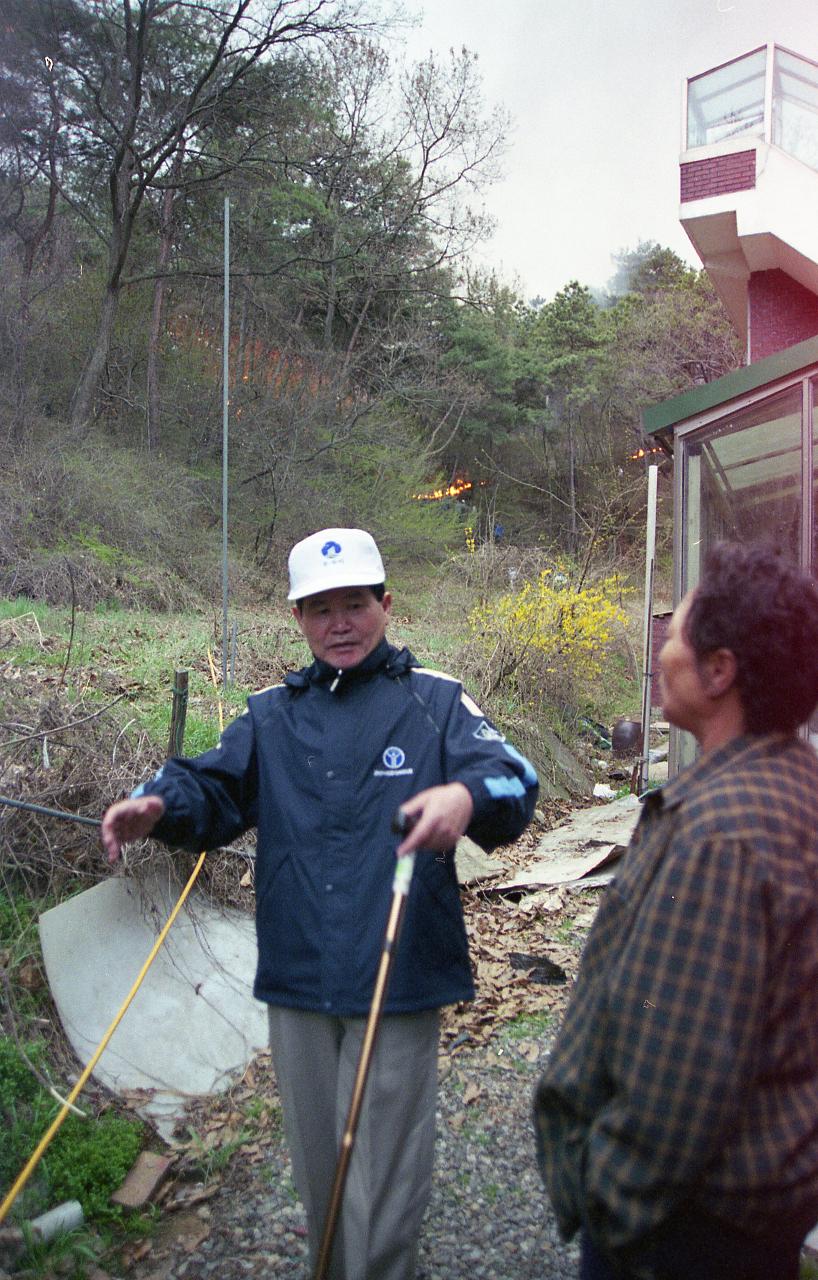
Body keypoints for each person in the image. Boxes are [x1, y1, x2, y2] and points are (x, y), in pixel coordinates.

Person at [102, 527, 538, 1280]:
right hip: (300, 973)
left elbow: (514, 779)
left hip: (400, 976)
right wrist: (155, 805)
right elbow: (208, 786)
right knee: (319, 1170)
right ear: (298, 619)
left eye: (355, 604)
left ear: (385, 604)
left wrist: (466, 795)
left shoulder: (435, 699)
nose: (339, 623)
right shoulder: (272, 714)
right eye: (320, 608)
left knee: (389, 1179)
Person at [534, 542, 818, 1280]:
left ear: (719, 670)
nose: (661, 653)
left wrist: (612, 1205)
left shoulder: (720, 835)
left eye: (672, 636)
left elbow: (678, 1080)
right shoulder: (795, 786)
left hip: (686, 1237)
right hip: (758, 1217)